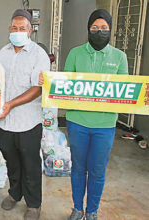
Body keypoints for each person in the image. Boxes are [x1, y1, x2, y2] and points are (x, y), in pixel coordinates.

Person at [63, 9, 128, 220]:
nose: (99, 31)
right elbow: (64, 86)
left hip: (105, 125)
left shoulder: (120, 57)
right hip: (77, 122)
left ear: (110, 30)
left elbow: (124, 91)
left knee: (97, 172)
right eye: (94, 28)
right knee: (78, 168)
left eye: (103, 28)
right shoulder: (75, 53)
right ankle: (77, 209)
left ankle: (92, 211)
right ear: (88, 30)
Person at [0, 9, 50, 220]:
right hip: (5, 122)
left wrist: (10, 103)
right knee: (11, 161)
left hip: (28, 122)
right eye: (15, 28)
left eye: (23, 28)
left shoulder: (39, 55)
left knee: (30, 164)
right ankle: (14, 193)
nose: (18, 31)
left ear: (30, 30)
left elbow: (38, 88)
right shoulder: (2, 53)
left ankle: (34, 204)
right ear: (10, 29)